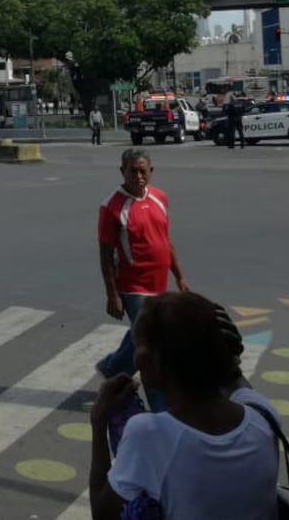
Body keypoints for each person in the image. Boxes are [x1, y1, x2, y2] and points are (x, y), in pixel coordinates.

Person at [89, 294, 280, 519]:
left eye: (138, 346)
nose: (135, 359)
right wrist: (225, 353)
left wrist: (99, 422)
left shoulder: (150, 434)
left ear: (155, 360)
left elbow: (102, 514)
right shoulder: (263, 414)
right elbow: (236, 380)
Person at [96, 148, 190, 413]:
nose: (138, 176)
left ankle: (113, 368)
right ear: (122, 172)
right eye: (132, 171)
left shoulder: (160, 197)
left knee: (141, 333)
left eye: (143, 171)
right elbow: (105, 253)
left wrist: (180, 276)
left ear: (151, 171)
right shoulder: (111, 207)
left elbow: (166, 240)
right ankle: (160, 406)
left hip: (159, 283)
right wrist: (112, 294)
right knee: (150, 343)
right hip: (133, 286)